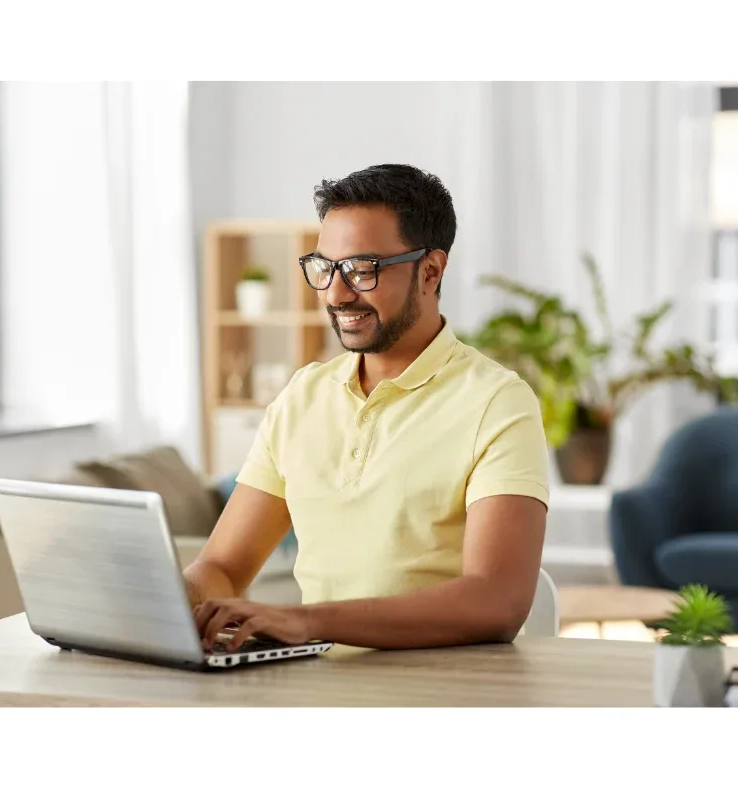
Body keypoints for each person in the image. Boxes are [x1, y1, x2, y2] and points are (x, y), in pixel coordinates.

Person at [186, 163, 550, 653]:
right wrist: (166, 601)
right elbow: (224, 568)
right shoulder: (302, 397)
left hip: (442, 694)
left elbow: (498, 601)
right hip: (314, 690)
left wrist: (308, 621)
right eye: (325, 267)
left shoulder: (497, 403)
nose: (336, 294)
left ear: (431, 271)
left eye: (362, 269)